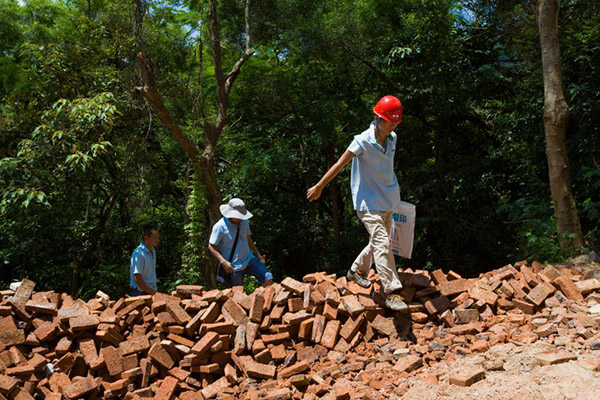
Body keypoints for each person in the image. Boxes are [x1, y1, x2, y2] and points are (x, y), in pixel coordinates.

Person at [307, 95, 408, 311]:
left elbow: (385, 169)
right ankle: (392, 292)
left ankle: (356, 270)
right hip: (367, 201)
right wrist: (319, 186)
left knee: (378, 242)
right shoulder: (362, 140)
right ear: (377, 117)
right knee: (382, 242)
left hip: (389, 199)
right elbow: (339, 163)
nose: (392, 126)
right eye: (389, 122)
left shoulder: (393, 138)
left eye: (395, 123)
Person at [208, 198, 273, 288]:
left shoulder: (244, 222)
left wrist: (258, 255)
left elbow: (248, 238)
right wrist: (223, 262)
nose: (240, 218)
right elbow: (211, 246)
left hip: (249, 259)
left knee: (268, 278)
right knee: (237, 292)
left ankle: (258, 298)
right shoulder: (220, 227)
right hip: (234, 266)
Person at [130, 224, 159, 296]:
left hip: (150, 291)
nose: (157, 240)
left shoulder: (153, 250)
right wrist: (151, 291)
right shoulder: (139, 254)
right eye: (155, 238)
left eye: (158, 237)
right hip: (140, 293)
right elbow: (137, 278)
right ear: (146, 238)